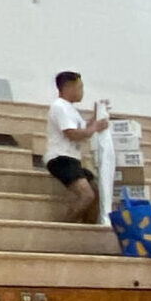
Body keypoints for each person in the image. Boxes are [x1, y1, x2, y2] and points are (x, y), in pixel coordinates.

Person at [44, 71, 108, 223]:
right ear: (69, 88)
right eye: (80, 87)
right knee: (87, 195)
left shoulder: (70, 109)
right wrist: (95, 128)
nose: (82, 92)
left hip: (72, 159)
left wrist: (96, 116)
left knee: (96, 193)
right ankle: (65, 226)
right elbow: (72, 133)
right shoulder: (59, 107)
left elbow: (83, 128)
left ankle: (87, 228)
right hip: (61, 158)